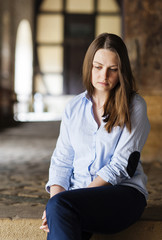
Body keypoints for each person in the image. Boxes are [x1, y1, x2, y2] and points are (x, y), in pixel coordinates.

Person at [40, 33, 150, 240]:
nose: (104, 76)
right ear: (89, 66)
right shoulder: (73, 107)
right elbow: (62, 161)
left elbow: (121, 165)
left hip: (123, 195)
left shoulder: (135, 106)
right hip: (77, 199)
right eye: (98, 67)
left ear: (122, 71)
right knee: (60, 210)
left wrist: (68, 200)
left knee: (62, 208)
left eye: (113, 69)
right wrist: (54, 205)